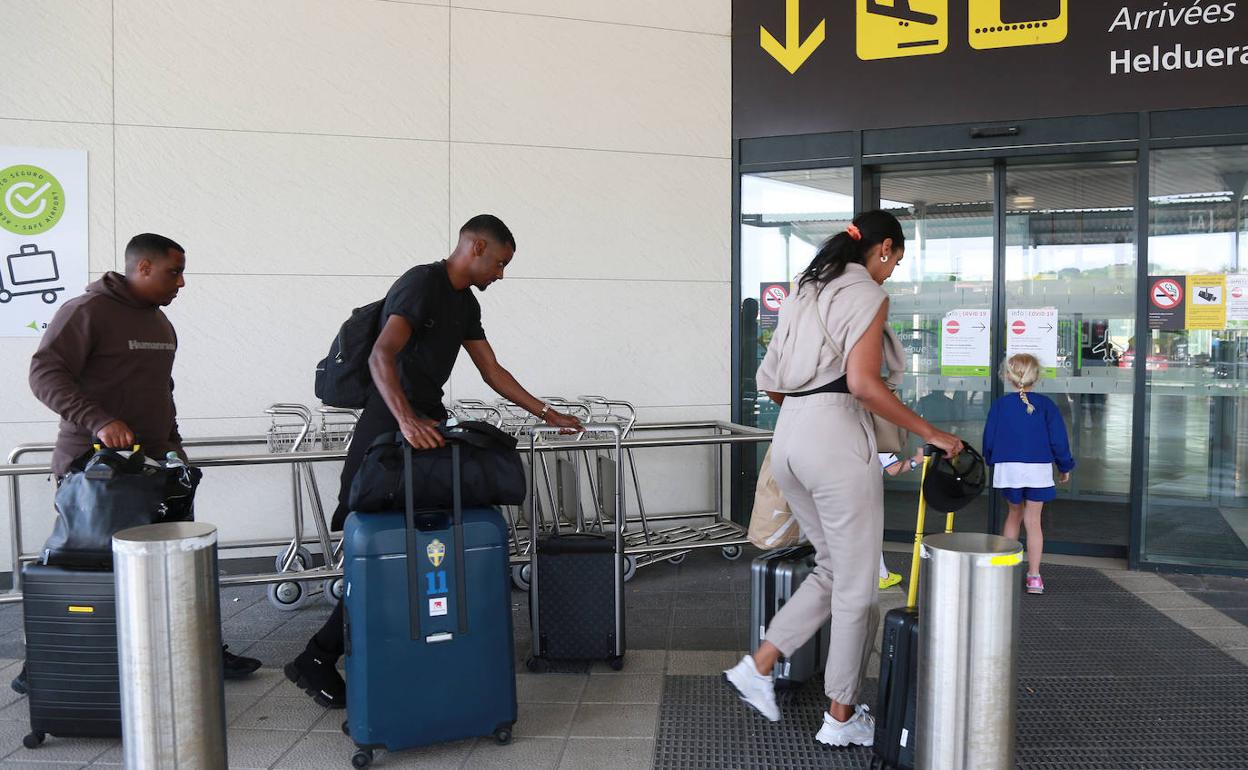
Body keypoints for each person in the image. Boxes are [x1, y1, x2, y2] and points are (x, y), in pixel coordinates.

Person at [284, 214, 582, 709]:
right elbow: (382, 355)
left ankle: (374, 647)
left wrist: (549, 414)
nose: (501, 275)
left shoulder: (463, 303)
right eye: (501, 263)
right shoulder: (421, 284)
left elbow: (491, 370)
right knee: (379, 547)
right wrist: (405, 421)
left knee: (421, 543)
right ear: (476, 246)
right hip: (389, 427)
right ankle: (317, 655)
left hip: (422, 424)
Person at [724, 210, 963, 748]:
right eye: (895, 261)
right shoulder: (865, 294)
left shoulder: (807, 288)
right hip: (835, 442)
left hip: (788, 439)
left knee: (833, 567)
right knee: (858, 587)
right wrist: (936, 434)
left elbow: (774, 384)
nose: (892, 273)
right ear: (882, 250)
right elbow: (862, 383)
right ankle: (840, 716)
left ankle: (759, 666)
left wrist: (813, 413)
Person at [18, 233, 262, 694]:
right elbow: (44, 373)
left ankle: (201, 651)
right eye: (174, 272)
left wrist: (174, 448)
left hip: (156, 469)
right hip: (96, 473)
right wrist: (100, 420)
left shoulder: (160, 323)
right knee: (91, 572)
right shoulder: (85, 312)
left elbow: (161, 393)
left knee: (177, 567)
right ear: (143, 268)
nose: (182, 282)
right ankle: (47, 663)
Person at [983, 353, 1075, 595]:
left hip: (1009, 467)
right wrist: (1064, 466)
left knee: (1013, 516)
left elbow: (989, 439)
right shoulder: (1046, 405)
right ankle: (1034, 576)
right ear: (1037, 376)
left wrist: (991, 460)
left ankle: (1004, 573)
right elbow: (1058, 441)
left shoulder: (1000, 405)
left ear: (1007, 376)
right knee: (1033, 522)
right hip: (1038, 467)